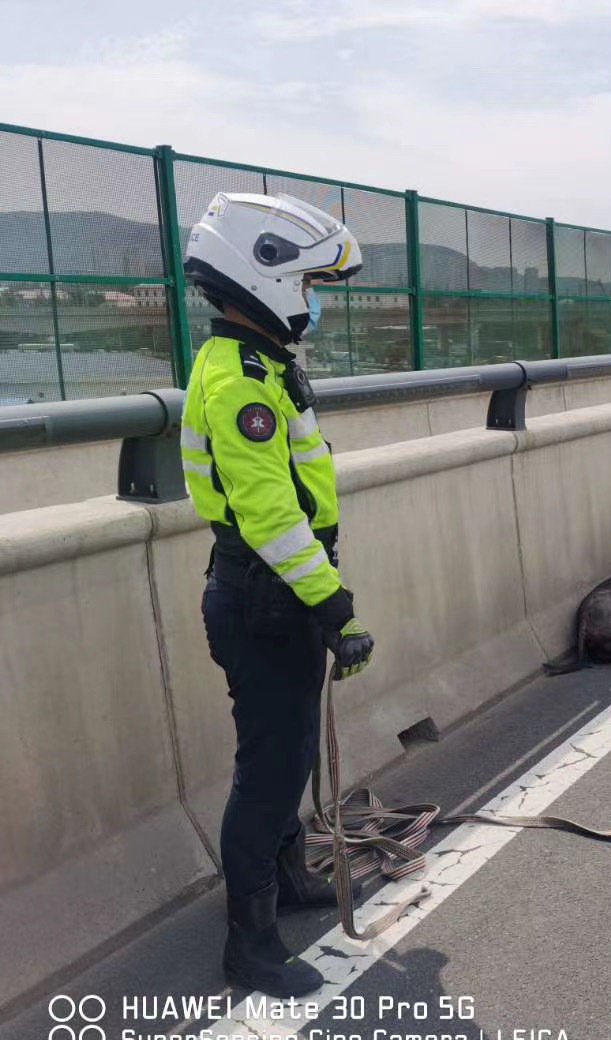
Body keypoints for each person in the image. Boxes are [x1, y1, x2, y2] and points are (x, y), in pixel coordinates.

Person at [179, 192, 376, 997]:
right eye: (312, 283)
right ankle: (249, 946)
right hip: (264, 597)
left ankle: (289, 880)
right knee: (267, 770)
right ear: (266, 280)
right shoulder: (241, 384)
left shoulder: (258, 365)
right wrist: (336, 609)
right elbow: (270, 518)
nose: (317, 301)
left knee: (290, 753)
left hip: (272, 594)